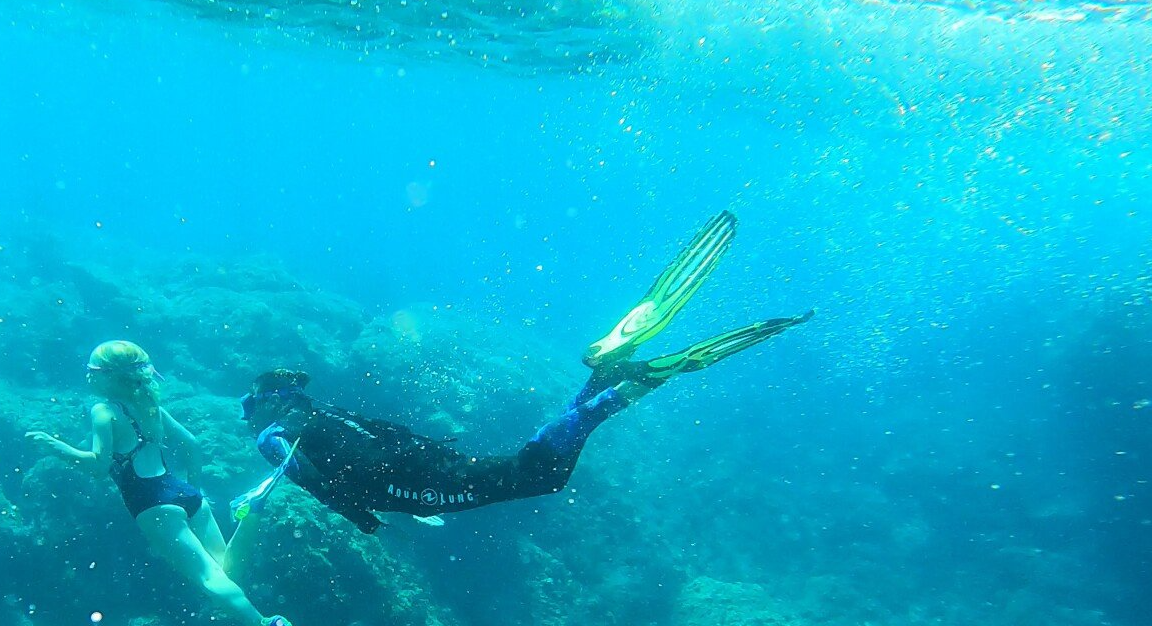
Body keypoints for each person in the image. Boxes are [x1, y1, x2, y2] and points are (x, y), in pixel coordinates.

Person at [234, 211, 813, 534]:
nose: (247, 415)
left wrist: (343, 512)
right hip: (423, 469)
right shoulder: (315, 413)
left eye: (249, 403)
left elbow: (301, 470)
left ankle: (622, 387)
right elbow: (357, 453)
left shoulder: (277, 432)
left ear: (270, 398)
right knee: (528, 469)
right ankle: (606, 378)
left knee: (538, 473)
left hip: (417, 478)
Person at [27, 340, 366, 626]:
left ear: (108, 378)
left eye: (93, 371)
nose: (88, 376)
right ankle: (250, 512)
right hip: (184, 492)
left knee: (209, 581)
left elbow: (96, 465)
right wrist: (193, 488)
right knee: (228, 573)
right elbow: (191, 443)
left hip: (151, 502)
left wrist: (53, 446)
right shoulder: (149, 406)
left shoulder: (104, 410)